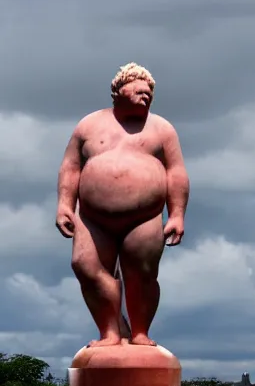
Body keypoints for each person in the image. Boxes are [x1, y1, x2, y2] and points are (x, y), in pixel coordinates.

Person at [55, 62, 190, 347]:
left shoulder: (161, 129)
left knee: (141, 273)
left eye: (150, 93)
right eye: (140, 90)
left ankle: (140, 332)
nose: (146, 96)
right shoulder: (89, 125)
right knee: (85, 267)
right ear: (119, 90)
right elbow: (70, 167)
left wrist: (177, 214)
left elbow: (176, 172)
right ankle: (110, 333)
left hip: (145, 217)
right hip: (92, 218)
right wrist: (64, 205)